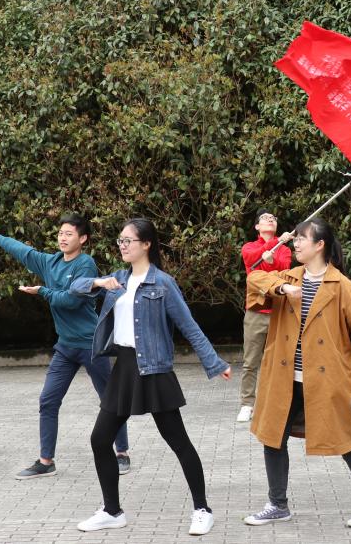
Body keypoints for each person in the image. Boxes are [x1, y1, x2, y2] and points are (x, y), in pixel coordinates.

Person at [69, 218, 231, 536]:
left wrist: (214, 362)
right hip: (124, 368)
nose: (122, 245)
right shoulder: (117, 279)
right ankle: (112, 511)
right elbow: (75, 288)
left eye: (128, 240)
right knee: (100, 439)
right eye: (120, 240)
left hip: (154, 369)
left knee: (179, 442)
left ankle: (202, 510)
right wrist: (99, 283)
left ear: (146, 244)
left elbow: (189, 326)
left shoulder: (163, 283)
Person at [243, 218, 351, 529]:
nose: (296, 243)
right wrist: (284, 288)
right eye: (296, 239)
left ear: (320, 245)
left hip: (325, 378)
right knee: (272, 438)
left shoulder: (340, 285)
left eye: (302, 238)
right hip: (284, 377)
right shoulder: (289, 276)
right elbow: (254, 279)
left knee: (345, 439)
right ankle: (277, 504)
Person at [0, 215, 132, 479]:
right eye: (60, 233)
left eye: (69, 234)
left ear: (83, 239)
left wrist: (43, 292)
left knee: (109, 399)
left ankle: (122, 453)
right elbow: (24, 252)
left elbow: (71, 300)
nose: (62, 238)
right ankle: (46, 461)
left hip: (90, 345)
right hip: (65, 347)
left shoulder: (85, 264)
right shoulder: (51, 262)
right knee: (48, 400)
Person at [238, 208, 294, 422]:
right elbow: (251, 261)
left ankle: (277, 403)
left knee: (281, 361)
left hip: (280, 311)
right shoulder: (249, 247)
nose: (270, 220)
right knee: (250, 361)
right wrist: (273, 244)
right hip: (256, 312)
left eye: (273, 218)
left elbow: (283, 271)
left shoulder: (285, 250)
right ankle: (247, 404)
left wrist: (271, 259)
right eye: (265, 218)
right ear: (257, 226)